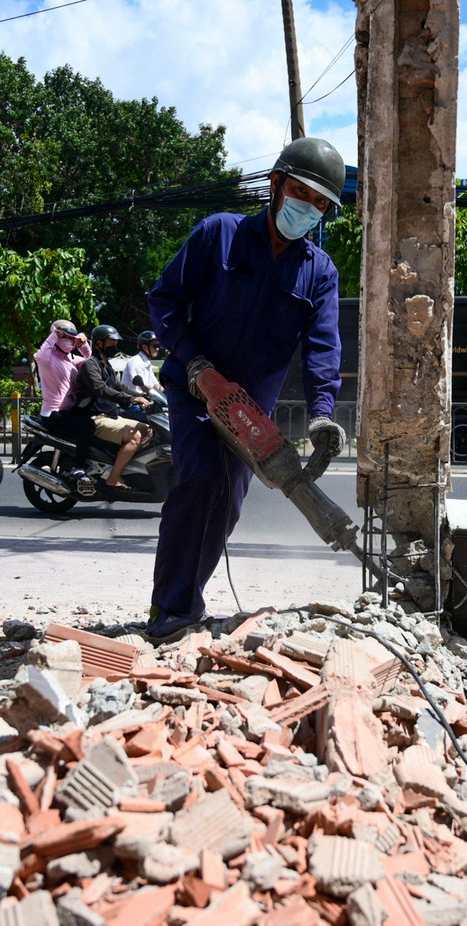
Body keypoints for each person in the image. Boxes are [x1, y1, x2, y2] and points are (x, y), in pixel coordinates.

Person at [145, 137, 347, 640]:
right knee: (201, 482)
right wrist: (197, 365)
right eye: (301, 192)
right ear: (276, 184)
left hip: (250, 413)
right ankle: (170, 611)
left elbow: (323, 350)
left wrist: (323, 414)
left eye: (320, 202)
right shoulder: (220, 234)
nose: (309, 207)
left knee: (229, 503)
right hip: (193, 389)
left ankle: (185, 603)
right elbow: (165, 301)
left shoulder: (319, 273)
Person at [74, 325, 151, 490]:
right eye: (111, 343)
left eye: (116, 343)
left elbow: (119, 387)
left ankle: (125, 466)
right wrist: (131, 399)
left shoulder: (106, 365)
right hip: (96, 418)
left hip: (110, 415)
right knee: (135, 436)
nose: (115, 346)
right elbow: (102, 389)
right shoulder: (90, 365)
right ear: (99, 343)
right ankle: (113, 477)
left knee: (148, 429)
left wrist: (145, 396)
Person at [33, 319, 94, 465]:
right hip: (53, 413)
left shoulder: (71, 360)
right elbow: (39, 356)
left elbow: (92, 364)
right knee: (87, 426)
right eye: (65, 337)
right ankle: (78, 468)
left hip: (69, 412)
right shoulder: (47, 359)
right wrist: (54, 335)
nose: (69, 341)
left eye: (72, 338)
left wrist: (84, 346)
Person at [121, 331, 165, 399]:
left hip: (144, 401)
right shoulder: (136, 361)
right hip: (133, 402)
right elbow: (144, 387)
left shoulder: (146, 363)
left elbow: (156, 385)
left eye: (159, 346)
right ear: (144, 347)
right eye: (155, 346)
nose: (158, 349)